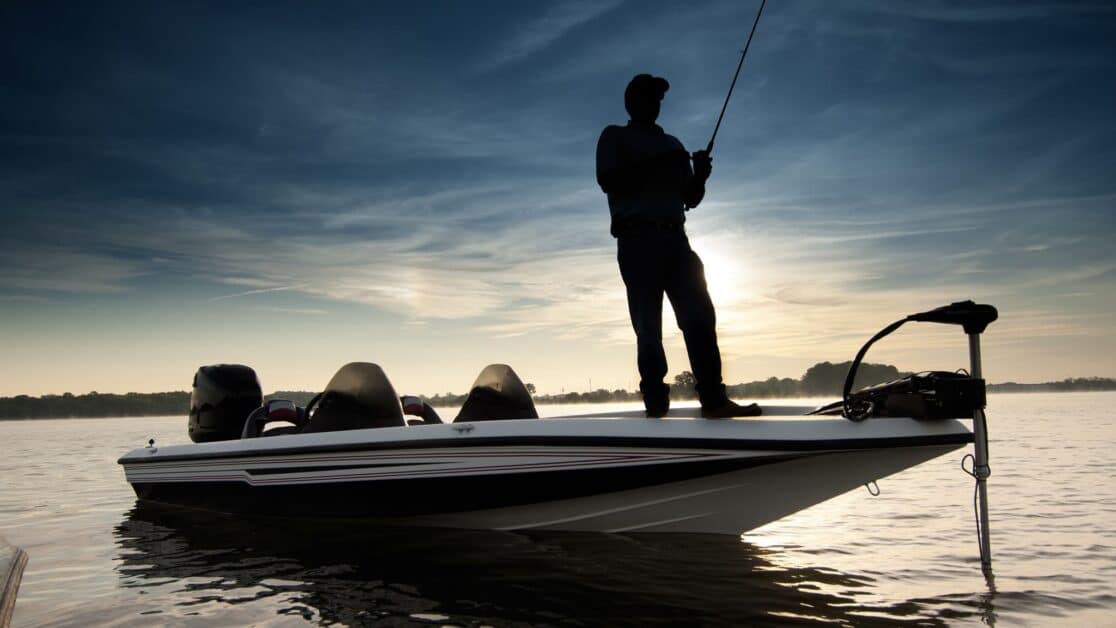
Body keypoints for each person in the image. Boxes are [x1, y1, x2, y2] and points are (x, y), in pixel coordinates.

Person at [596, 73, 761, 419]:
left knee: (701, 316)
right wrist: (661, 164)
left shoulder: (673, 144)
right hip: (637, 239)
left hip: (677, 241)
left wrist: (699, 174)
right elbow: (608, 179)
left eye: (657, 98)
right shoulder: (615, 136)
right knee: (648, 323)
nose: (654, 104)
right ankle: (655, 400)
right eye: (647, 97)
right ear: (631, 102)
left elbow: (691, 198)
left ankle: (713, 399)